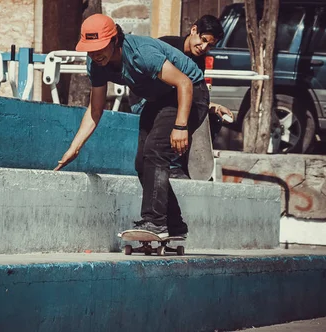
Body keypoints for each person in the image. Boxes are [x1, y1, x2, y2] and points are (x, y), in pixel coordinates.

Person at [54, 14, 216, 238]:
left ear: (115, 41)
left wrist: (180, 126)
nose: (95, 54)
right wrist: (75, 147)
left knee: (156, 151)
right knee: (142, 162)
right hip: (160, 99)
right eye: (90, 49)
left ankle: (155, 223)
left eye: (99, 47)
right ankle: (174, 225)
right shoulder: (96, 63)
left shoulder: (141, 53)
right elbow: (95, 109)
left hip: (191, 93)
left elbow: (184, 83)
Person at [130, 14, 234, 179]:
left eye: (209, 45)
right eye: (203, 39)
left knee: (208, 116)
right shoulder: (167, 44)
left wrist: (213, 106)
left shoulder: (198, 61)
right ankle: (173, 165)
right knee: (177, 109)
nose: (203, 47)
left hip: (170, 99)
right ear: (194, 30)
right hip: (144, 100)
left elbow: (192, 93)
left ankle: (191, 164)